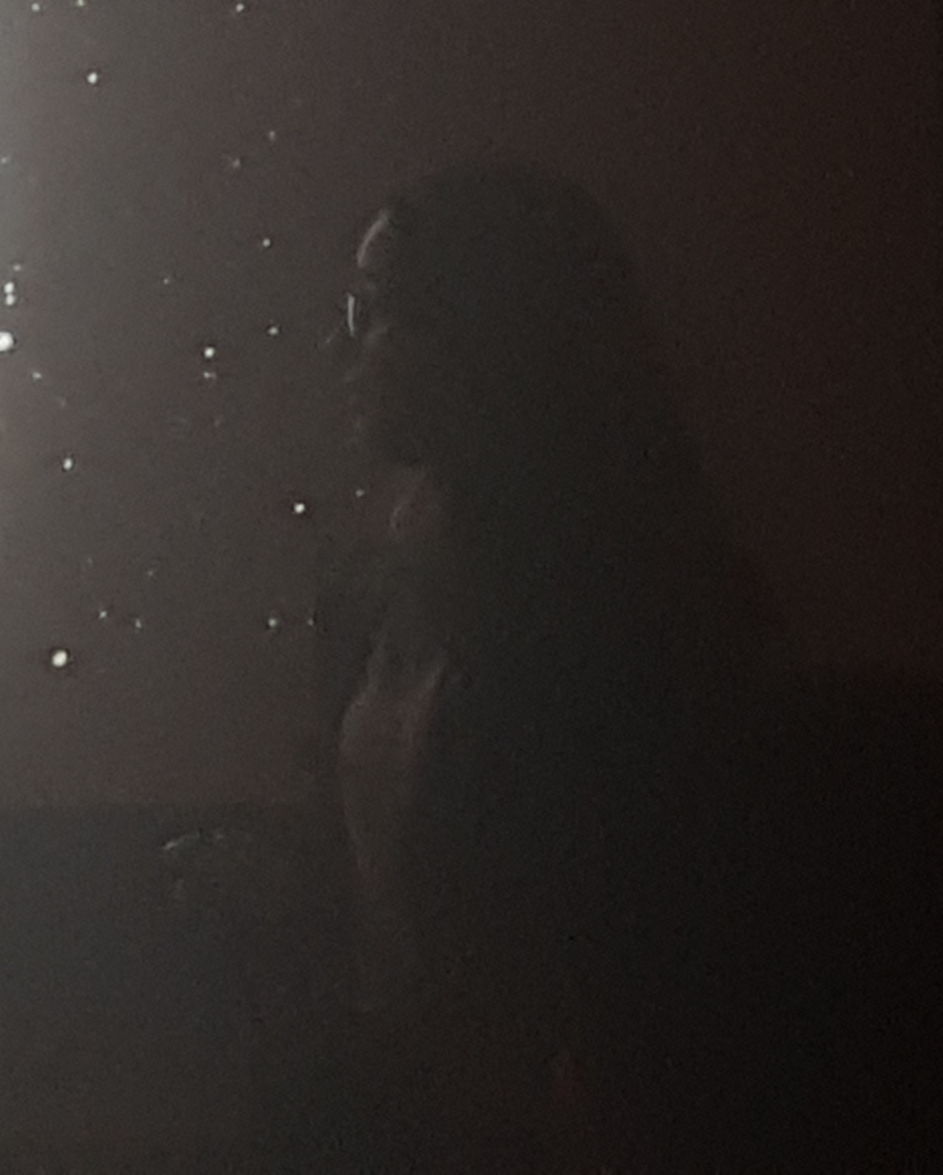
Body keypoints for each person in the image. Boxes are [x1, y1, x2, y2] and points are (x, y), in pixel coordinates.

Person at [320, 164, 770, 1168]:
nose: (344, 347)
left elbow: (640, 951)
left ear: (483, 333)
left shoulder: (630, 617)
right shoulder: (377, 584)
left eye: (376, 309)